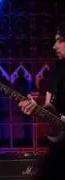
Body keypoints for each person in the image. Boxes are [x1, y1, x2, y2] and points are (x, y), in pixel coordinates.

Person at [18, 22, 65, 179]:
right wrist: (35, 108)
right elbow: (49, 106)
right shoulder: (57, 69)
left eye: (59, 40)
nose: (54, 46)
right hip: (60, 146)